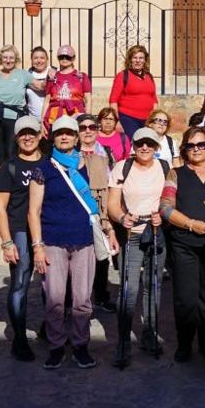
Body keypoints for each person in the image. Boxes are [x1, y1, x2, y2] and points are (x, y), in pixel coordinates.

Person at [31, 116, 117, 369]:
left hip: (84, 240)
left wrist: (108, 228)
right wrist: (37, 246)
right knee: (55, 298)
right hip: (53, 241)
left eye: (70, 132)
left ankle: (80, 345)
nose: (65, 137)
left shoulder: (90, 166)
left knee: (82, 299)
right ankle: (56, 346)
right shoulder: (43, 169)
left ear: (77, 136)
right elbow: (33, 211)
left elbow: (100, 202)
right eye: (60, 133)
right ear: (53, 138)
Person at [108, 128, 176, 363]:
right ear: (133, 145)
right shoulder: (122, 167)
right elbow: (113, 204)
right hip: (132, 234)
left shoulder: (165, 167)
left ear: (156, 146)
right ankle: (123, 340)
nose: (144, 148)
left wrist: (163, 216)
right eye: (140, 144)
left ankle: (149, 334)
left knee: (153, 286)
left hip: (156, 232)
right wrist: (120, 217)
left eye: (149, 143)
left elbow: (170, 199)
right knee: (129, 288)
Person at [163, 126, 205, 361]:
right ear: (184, 149)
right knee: (186, 297)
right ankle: (184, 344)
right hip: (184, 244)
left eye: (201, 144)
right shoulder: (176, 174)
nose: (196, 149)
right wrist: (190, 223)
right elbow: (166, 208)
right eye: (191, 146)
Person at [0, 115, 46, 362]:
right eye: (23, 133)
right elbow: (0, 207)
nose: (28, 137)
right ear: (16, 137)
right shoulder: (10, 167)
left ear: (40, 135)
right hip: (20, 232)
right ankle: (19, 339)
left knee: (52, 284)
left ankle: (49, 327)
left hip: (48, 230)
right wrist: (6, 241)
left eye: (32, 133)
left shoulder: (49, 164)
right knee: (20, 284)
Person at [77, 113, 116, 313]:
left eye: (92, 127)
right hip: (77, 209)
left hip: (100, 210)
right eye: (83, 128)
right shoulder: (70, 154)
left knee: (101, 257)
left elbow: (112, 184)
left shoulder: (106, 153)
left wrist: (108, 219)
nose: (88, 131)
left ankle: (100, 296)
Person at [0, 44, 42, 161]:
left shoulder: (22, 74)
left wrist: (52, 75)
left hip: (14, 118)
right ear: (1, 59)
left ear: (16, 59)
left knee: (11, 151)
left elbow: (40, 86)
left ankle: (10, 177)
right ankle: (1, 178)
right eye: (5, 57)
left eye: (11, 58)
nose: (8, 61)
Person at [107, 44, 159, 135]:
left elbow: (154, 99)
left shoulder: (149, 76)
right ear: (130, 59)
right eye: (135, 58)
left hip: (148, 120)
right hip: (128, 119)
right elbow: (113, 100)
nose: (138, 61)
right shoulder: (123, 75)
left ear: (145, 60)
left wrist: (154, 119)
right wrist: (117, 121)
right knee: (134, 144)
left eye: (141, 58)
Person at [43, 44, 91, 127]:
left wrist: (87, 119)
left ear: (73, 58)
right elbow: (47, 101)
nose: (64, 59)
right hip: (54, 119)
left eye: (68, 57)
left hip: (76, 118)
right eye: (61, 57)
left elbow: (88, 100)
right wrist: (42, 121)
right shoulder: (52, 76)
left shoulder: (82, 76)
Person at [26, 46, 52, 122]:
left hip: (52, 119)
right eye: (36, 58)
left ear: (47, 59)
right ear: (32, 60)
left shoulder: (56, 72)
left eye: (42, 58)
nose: (39, 61)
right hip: (33, 121)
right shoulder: (27, 75)